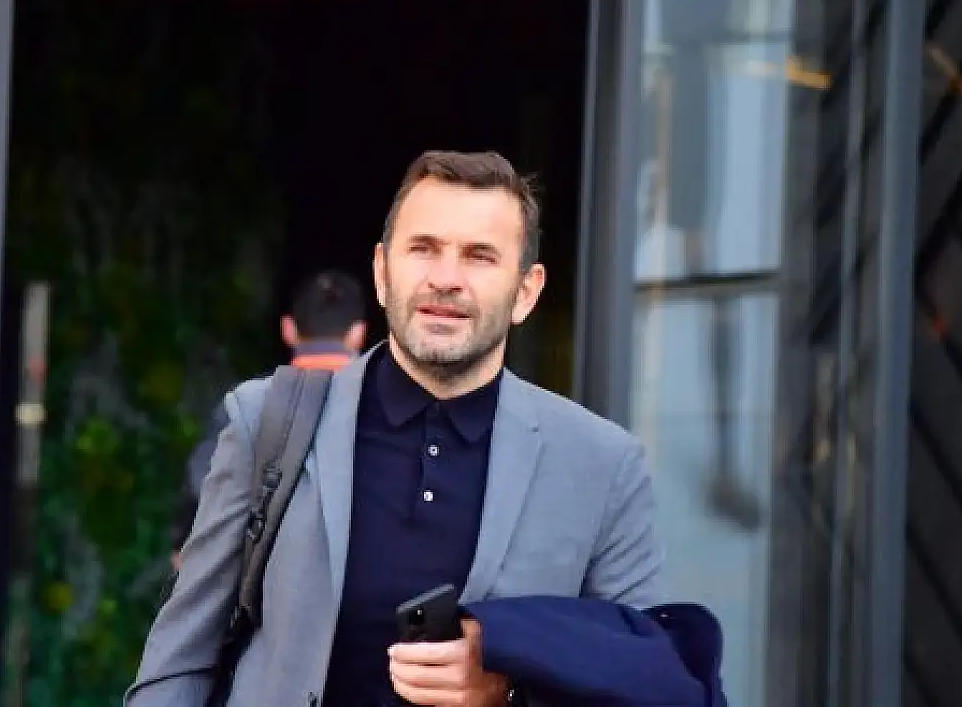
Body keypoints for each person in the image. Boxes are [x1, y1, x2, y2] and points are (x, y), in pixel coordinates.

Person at [131, 150, 663, 706]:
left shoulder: (601, 465)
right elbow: (178, 664)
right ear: (383, 272)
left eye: (479, 256)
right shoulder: (266, 420)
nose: (446, 279)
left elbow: (645, 685)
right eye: (424, 248)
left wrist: (511, 688)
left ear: (526, 292)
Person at [170, 270, 366, 569]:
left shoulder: (247, 404)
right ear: (358, 334)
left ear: (288, 329)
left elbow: (204, 487)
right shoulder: (386, 407)